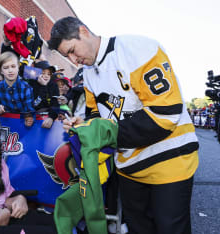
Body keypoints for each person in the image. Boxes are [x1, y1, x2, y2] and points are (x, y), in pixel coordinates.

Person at [49, 17, 199, 234]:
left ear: (84, 31)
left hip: (169, 160)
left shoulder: (138, 49)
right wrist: (85, 124)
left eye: (72, 50)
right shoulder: (90, 74)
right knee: (138, 229)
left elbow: (165, 114)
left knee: (170, 228)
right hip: (129, 167)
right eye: (67, 56)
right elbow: (96, 117)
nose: (74, 59)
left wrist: (103, 133)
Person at [28, 61, 60, 129]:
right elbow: (35, 104)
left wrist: (51, 117)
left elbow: (56, 104)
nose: (46, 76)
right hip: (30, 121)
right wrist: (43, 86)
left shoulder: (53, 86)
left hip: (46, 122)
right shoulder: (31, 84)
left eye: (49, 74)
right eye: (43, 73)